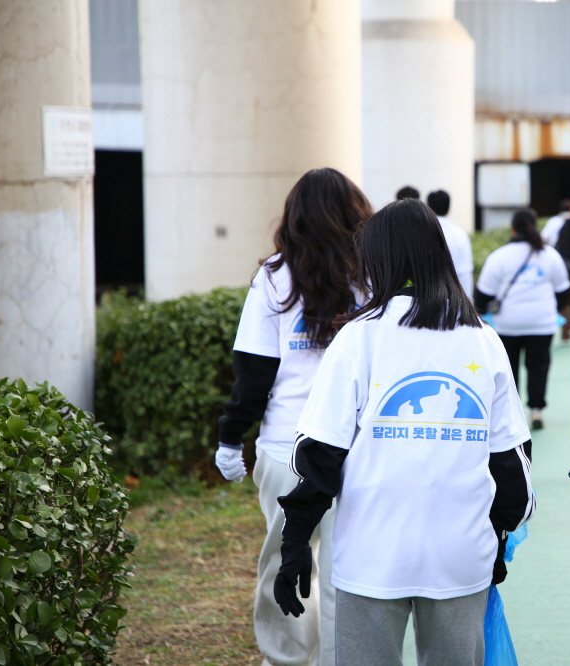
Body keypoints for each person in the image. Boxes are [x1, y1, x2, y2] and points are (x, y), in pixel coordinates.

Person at [272, 199, 536, 666]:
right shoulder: (482, 339)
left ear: (379, 261)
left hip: (371, 557)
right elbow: (512, 462)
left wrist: (295, 544)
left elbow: (319, 455)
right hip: (460, 556)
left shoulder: (358, 337)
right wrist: (497, 539)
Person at [215, 167, 373, 666]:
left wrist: (229, 438)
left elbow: (254, 373)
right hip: (361, 447)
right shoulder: (374, 273)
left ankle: (285, 660)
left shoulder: (273, 276)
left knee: (285, 561)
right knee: (348, 568)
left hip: (288, 447)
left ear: (294, 215)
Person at [476, 209, 570, 430]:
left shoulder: (499, 256)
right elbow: (563, 289)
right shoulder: (549, 255)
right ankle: (536, 410)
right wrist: (552, 310)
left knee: (509, 367)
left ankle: (513, 414)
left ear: (513, 229)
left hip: (507, 323)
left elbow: (483, 294)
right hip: (542, 322)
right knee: (538, 365)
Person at [427, 189, 475, 297]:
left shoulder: (421, 233)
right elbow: (465, 272)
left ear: (428, 208)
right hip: (454, 299)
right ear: (449, 209)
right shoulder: (459, 234)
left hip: (425, 299)